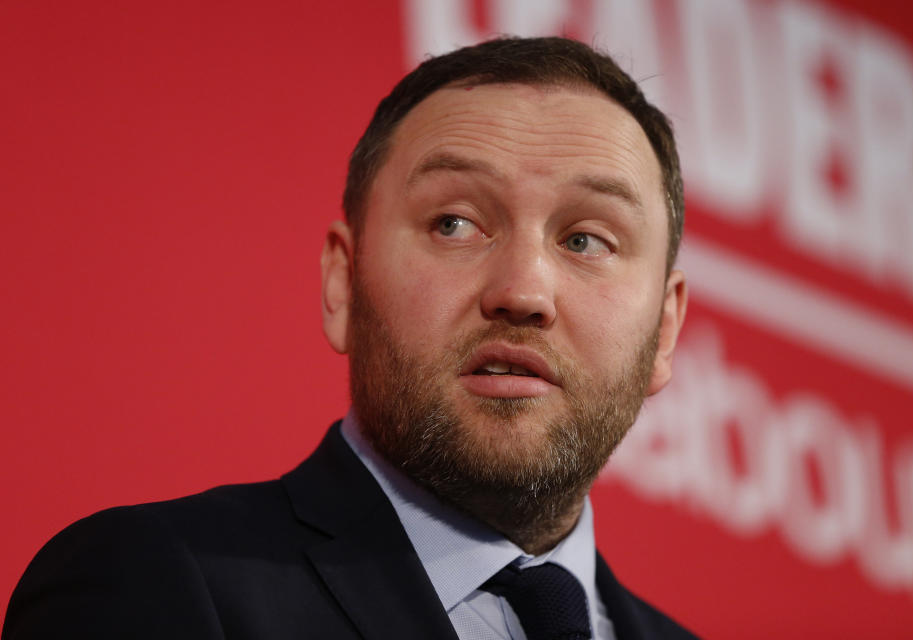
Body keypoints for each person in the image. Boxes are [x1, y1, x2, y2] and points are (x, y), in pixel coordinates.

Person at [3, 36, 694, 639]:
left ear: (664, 328)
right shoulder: (149, 585)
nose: (522, 291)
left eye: (585, 239)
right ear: (343, 282)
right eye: (453, 223)